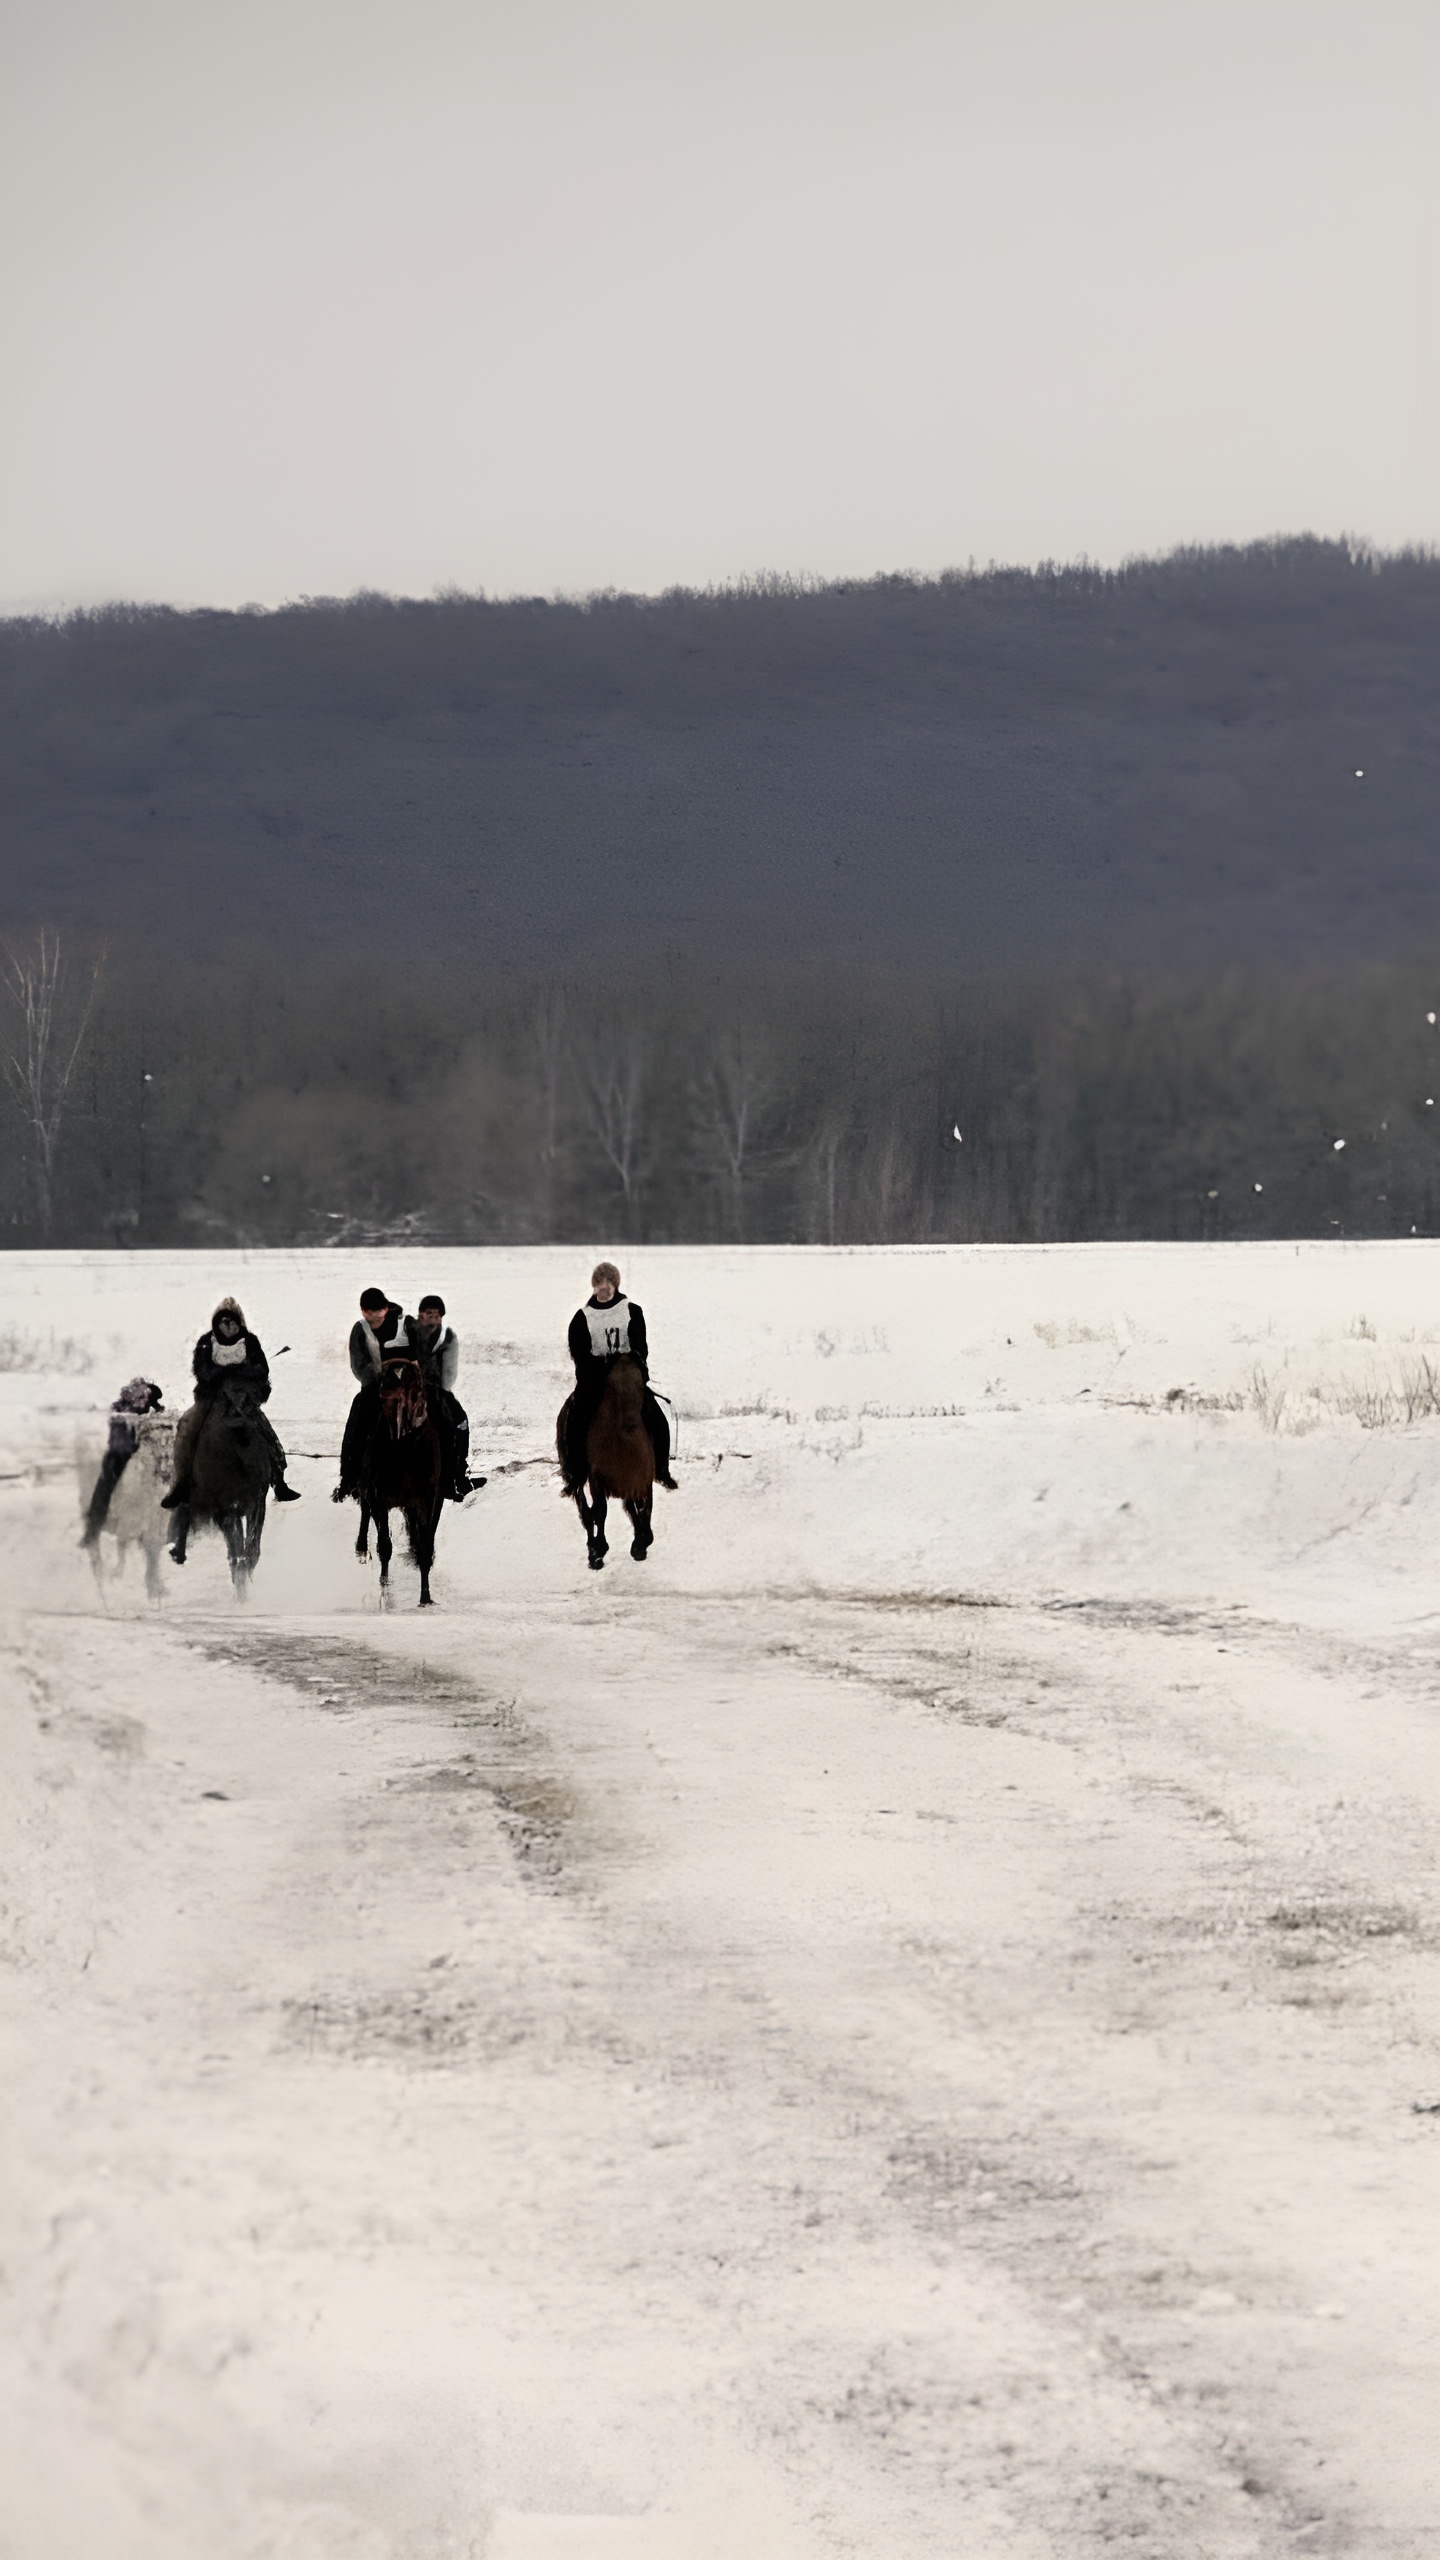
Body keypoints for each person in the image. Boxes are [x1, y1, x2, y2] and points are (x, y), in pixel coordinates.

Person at [162, 1298, 300, 1510]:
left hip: (242, 1400)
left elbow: (262, 1370)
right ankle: (182, 1485)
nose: (227, 1325)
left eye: (231, 1321)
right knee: (187, 1430)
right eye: (222, 1321)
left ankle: (278, 1483)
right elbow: (202, 1372)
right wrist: (224, 1372)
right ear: (216, 1323)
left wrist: (238, 1374)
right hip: (211, 1401)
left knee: (268, 1436)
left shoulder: (250, 1342)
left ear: (239, 1322)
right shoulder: (206, 1343)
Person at [560, 1261, 676, 1494]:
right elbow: (580, 1355)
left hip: (626, 1378)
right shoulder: (582, 1318)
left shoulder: (632, 1311)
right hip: (594, 1381)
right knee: (576, 1421)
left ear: (615, 1285)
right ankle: (577, 1473)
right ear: (594, 1286)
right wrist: (601, 1366)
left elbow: (641, 1348)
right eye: (600, 1282)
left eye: (609, 1282)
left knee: (657, 1419)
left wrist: (628, 1364)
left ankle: (661, 1469)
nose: (604, 1287)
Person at [400, 1294, 484, 1500]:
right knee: (457, 1425)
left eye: (437, 1316)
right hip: (424, 1390)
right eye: (429, 1315)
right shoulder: (432, 1335)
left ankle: (458, 1476)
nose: (433, 1319)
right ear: (421, 1314)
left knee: (459, 1422)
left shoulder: (434, 1335)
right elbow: (447, 1377)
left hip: (421, 1388)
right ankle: (455, 1479)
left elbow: (448, 1376)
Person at [333, 1286, 406, 1500]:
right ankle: (350, 1478)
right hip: (374, 1389)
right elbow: (358, 1365)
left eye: (377, 1310)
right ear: (363, 1311)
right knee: (355, 1429)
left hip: (404, 1384)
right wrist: (377, 1377)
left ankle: (451, 1473)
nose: (374, 1315)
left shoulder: (402, 1325)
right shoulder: (360, 1330)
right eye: (368, 1311)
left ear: (385, 1308)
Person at [80, 1375, 164, 1546]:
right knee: (110, 1491)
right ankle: (94, 1530)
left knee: (105, 1491)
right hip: (125, 1453)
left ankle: (93, 1530)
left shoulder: (121, 1407)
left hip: (119, 1453)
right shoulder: (133, 1410)